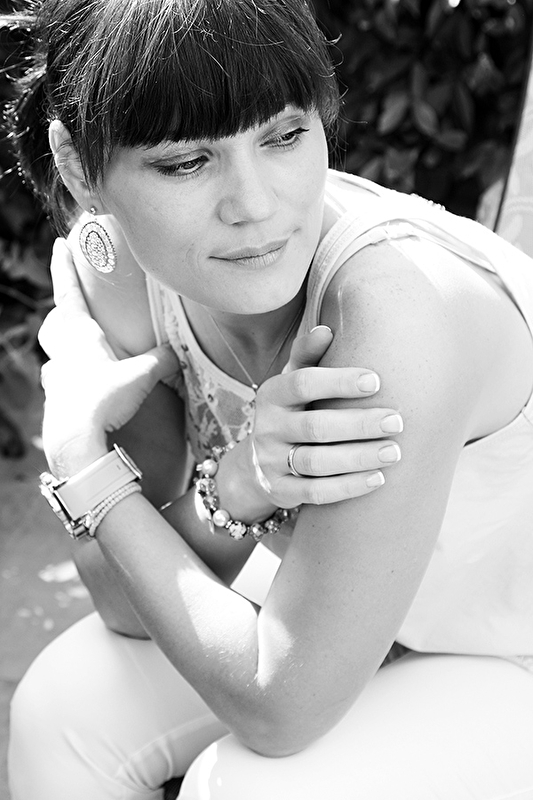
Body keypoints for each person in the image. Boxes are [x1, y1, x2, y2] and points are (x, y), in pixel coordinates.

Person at [3, 0, 533, 797]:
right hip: (346, 617)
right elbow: (123, 599)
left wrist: (82, 457)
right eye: (186, 162)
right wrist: (238, 485)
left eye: (283, 136)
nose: (253, 206)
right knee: (62, 708)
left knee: (248, 786)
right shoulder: (118, 264)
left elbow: (280, 707)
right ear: (80, 169)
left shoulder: (393, 311)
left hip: (505, 647)